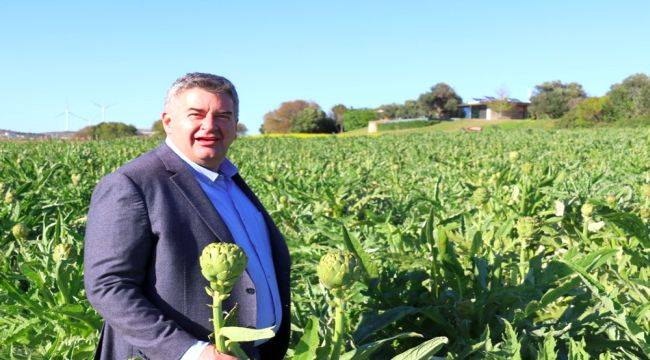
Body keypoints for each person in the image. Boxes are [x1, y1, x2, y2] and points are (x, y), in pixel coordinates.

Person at [84, 73, 291, 360]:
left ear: (234, 126)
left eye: (223, 116)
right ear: (168, 122)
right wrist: (192, 352)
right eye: (196, 114)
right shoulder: (133, 183)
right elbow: (108, 287)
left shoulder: (230, 181)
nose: (210, 126)